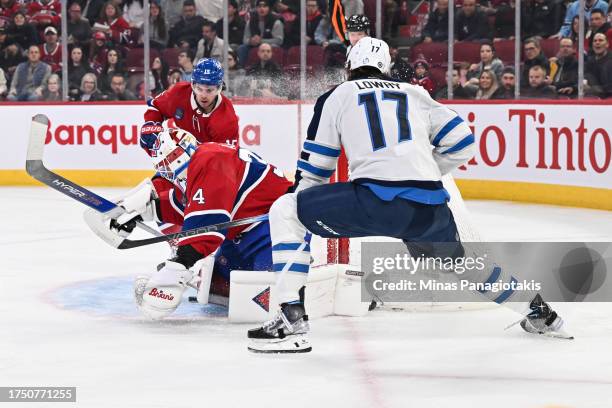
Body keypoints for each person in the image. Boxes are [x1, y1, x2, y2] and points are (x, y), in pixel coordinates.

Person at [246, 36, 569, 353]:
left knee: (286, 209)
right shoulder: (415, 93)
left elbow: (317, 165)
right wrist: (425, 172)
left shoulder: (340, 94)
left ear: (349, 66)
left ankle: (291, 318)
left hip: (373, 202)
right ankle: (540, 312)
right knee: (465, 264)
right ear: (385, 67)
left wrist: (297, 211)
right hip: (429, 207)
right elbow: (462, 143)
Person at [106, 130, 292, 319]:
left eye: (168, 164)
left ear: (179, 157)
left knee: (270, 297)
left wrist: (179, 264)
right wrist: (141, 212)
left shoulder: (212, 160)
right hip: (244, 233)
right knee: (218, 289)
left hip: (276, 229)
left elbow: (210, 219)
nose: (168, 173)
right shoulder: (201, 161)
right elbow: (190, 207)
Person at [140, 57, 239, 158]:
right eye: (199, 89)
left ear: (219, 88)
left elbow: (225, 161)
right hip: (183, 156)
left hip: (209, 164)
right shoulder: (179, 93)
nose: (203, 95)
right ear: (193, 84)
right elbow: (156, 106)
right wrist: (151, 124)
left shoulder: (227, 119)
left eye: (209, 90)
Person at [237, 0, 284, 67]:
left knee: (275, 47)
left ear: (269, 8)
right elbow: (245, 40)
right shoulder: (250, 22)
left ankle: (273, 68)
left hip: (270, 45)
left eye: (264, 6)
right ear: (256, 8)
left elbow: (279, 40)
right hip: (254, 45)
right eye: (259, 6)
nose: (262, 9)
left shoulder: (276, 22)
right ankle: (241, 69)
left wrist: (261, 41)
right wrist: (251, 41)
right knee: (242, 48)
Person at [585, 33, 612, 98]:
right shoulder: (589, 62)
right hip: (594, 99)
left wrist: (593, 89)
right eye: (595, 41)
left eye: (600, 40)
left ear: (607, 44)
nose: (597, 42)